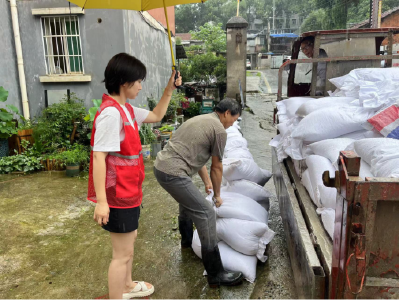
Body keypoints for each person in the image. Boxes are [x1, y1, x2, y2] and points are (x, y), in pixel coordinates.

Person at [88, 53, 182, 299]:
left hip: (130, 191)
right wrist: (101, 202)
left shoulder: (126, 110)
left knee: (129, 244)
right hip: (118, 194)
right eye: (138, 81)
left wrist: (169, 89)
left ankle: (127, 286)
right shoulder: (112, 114)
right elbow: (99, 157)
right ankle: (117, 295)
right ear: (123, 81)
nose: (141, 86)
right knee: (122, 255)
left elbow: (156, 116)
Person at [153, 98, 244, 288]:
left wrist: (206, 182)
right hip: (173, 173)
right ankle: (216, 273)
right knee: (206, 213)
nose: (232, 124)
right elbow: (217, 166)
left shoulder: (200, 119)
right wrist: (217, 195)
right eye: (233, 120)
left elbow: (197, 154)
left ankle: (186, 242)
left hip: (161, 167)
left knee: (188, 202)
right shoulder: (219, 130)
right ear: (226, 113)